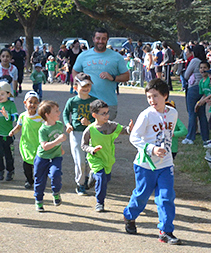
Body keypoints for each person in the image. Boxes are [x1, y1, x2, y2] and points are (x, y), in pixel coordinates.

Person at [122, 79, 180, 245]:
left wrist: (164, 150)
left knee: (166, 197)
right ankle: (129, 216)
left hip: (165, 164)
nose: (152, 100)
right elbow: (134, 137)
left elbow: (168, 135)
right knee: (142, 195)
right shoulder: (146, 114)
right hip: (145, 164)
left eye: (155, 96)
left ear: (165, 95)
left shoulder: (173, 113)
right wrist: (151, 149)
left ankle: (166, 230)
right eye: (148, 97)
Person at [81, 99, 133, 212]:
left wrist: (130, 129)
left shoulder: (111, 126)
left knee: (106, 178)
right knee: (101, 178)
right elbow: (83, 145)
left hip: (108, 158)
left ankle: (92, 175)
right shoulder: (89, 129)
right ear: (94, 115)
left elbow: (124, 130)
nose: (106, 115)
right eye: (103, 113)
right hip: (95, 158)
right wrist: (92, 149)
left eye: (107, 112)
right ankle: (100, 202)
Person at [72, 28, 130, 120]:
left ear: (107, 40)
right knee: (87, 132)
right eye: (98, 38)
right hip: (86, 103)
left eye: (103, 38)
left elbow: (126, 76)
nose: (100, 41)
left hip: (108, 103)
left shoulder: (116, 57)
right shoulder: (83, 56)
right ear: (93, 39)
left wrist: (113, 77)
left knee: (105, 133)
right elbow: (75, 70)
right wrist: (78, 83)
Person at [63, 73, 98, 195]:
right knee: (80, 160)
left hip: (91, 133)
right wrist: (68, 124)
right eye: (83, 85)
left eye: (88, 85)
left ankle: (88, 177)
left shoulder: (94, 101)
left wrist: (90, 122)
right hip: (76, 133)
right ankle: (80, 184)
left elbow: (99, 116)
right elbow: (65, 114)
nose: (86, 88)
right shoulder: (72, 101)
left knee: (90, 159)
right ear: (75, 87)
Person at [34, 100, 71, 212]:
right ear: (47, 115)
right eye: (56, 111)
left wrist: (60, 148)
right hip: (42, 158)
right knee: (40, 180)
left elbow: (58, 141)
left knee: (56, 174)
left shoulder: (59, 125)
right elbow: (45, 146)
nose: (59, 112)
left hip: (56, 156)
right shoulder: (43, 130)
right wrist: (58, 140)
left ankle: (56, 193)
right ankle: (39, 200)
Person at [8, 91, 42, 189]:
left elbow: (45, 127)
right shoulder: (23, 116)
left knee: (38, 165)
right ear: (25, 103)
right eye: (30, 102)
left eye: (35, 102)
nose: (33, 104)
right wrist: (13, 131)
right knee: (27, 164)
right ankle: (29, 180)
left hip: (38, 143)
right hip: (26, 144)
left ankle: (38, 180)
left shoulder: (40, 117)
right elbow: (19, 126)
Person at [0, 82, 18, 181]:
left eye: (2, 94)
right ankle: (0, 170)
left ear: (8, 94)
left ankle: (10, 170)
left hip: (8, 134)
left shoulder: (11, 105)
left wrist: (7, 116)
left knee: (8, 155)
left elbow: (16, 118)